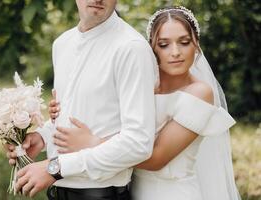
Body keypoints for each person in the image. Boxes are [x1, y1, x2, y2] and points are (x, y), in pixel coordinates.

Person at [49, 6, 241, 200]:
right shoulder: (143, 87)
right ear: (152, 48)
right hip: (133, 190)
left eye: (184, 42)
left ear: (196, 45)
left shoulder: (199, 93)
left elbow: (157, 157)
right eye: (164, 44)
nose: (175, 52)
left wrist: (93, 143)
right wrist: (61, 112)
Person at [6, 0, 158, 199]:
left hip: (101, 193)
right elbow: (71, 115)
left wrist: (56, 167)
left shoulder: (131, 48)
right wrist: (42, 138)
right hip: (58, 192)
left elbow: (138, 143)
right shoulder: (62, 44)